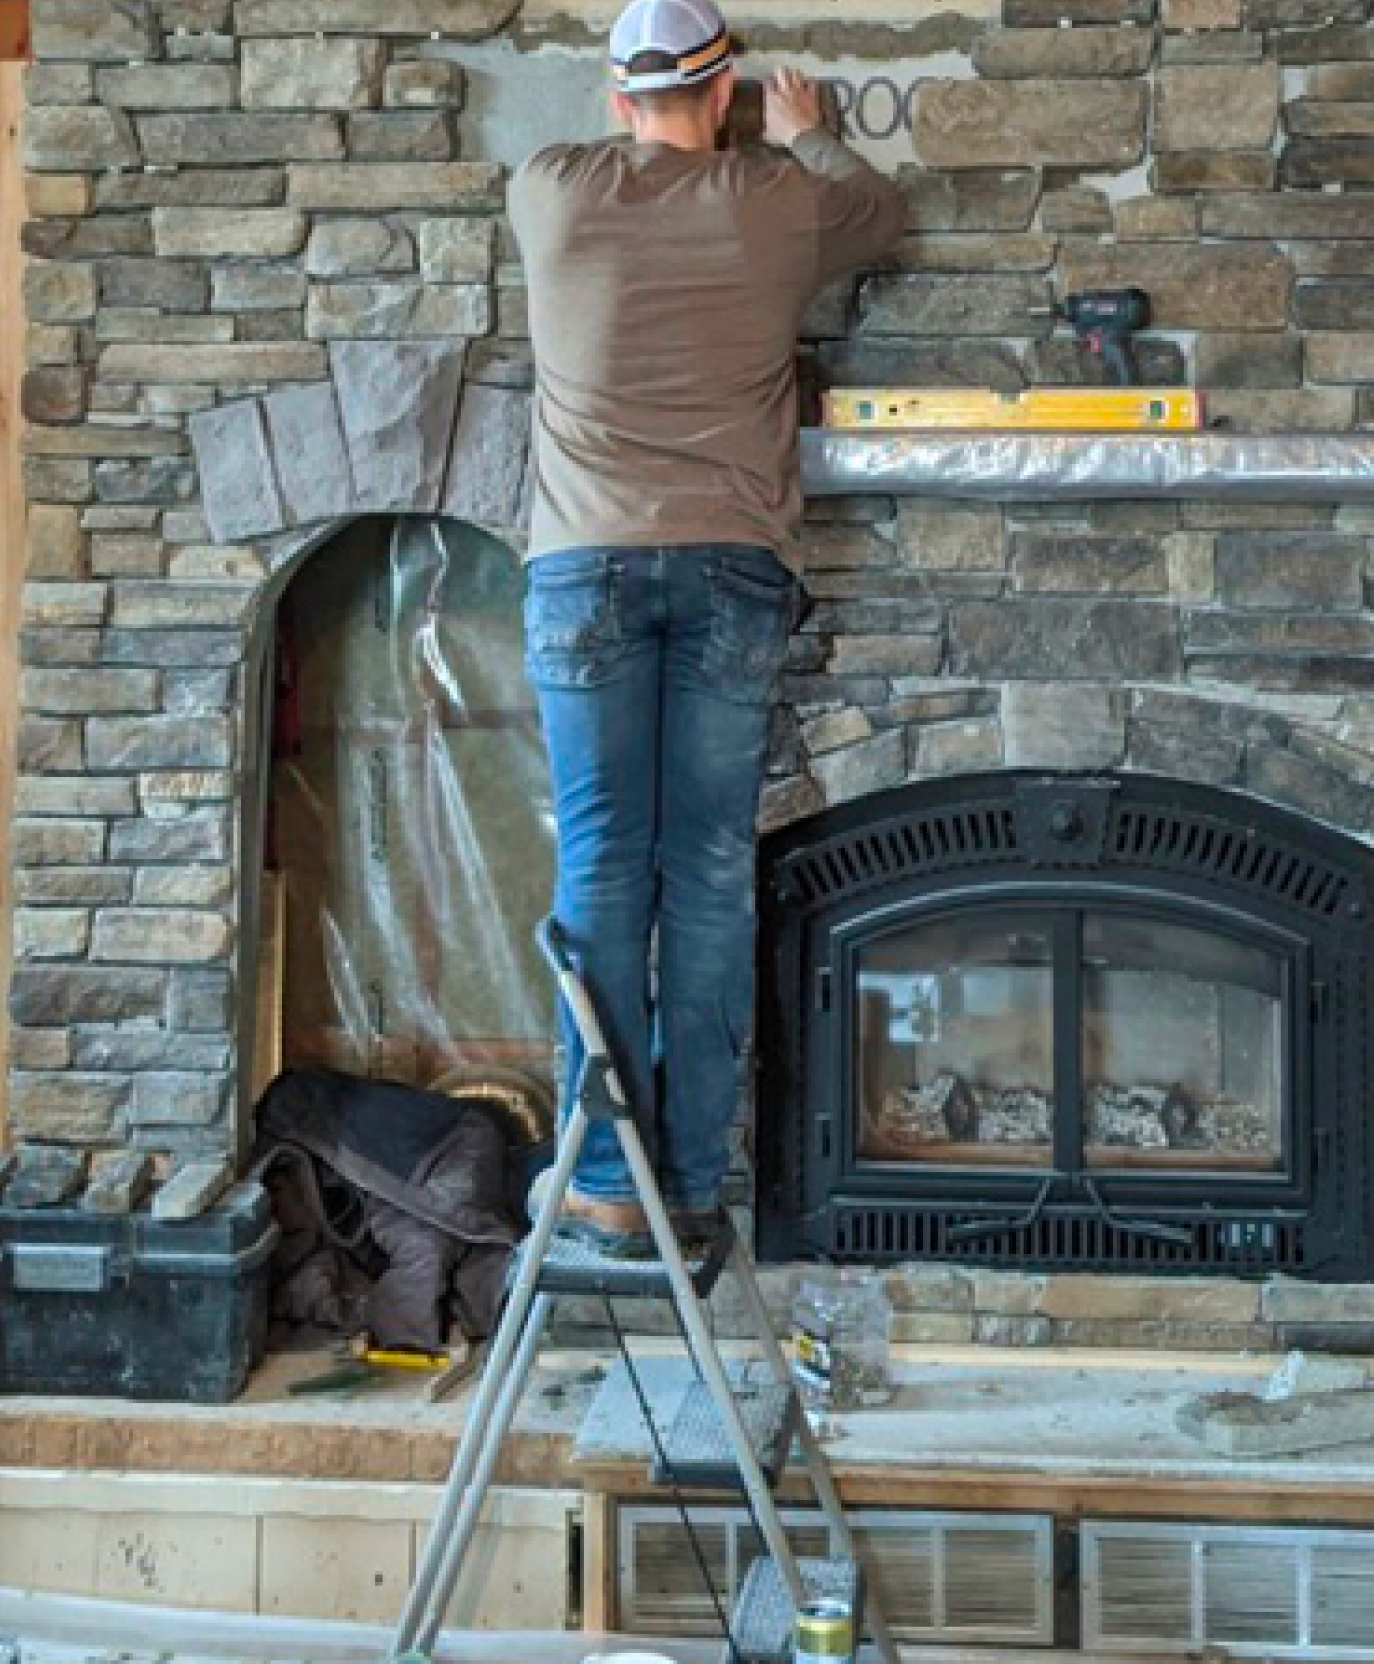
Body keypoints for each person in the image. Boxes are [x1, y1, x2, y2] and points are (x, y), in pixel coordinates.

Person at [508, 0, 906, 1257]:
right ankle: (684, 1183)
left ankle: (603, 1180)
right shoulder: (777, 200)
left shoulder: (551, 190)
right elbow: (883, 213)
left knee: (602, 867)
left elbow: (633, 145)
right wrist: (807, 137)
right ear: (727, 95)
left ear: (617, 100)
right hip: (734, 566)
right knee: (709, 870)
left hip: (585, 570)